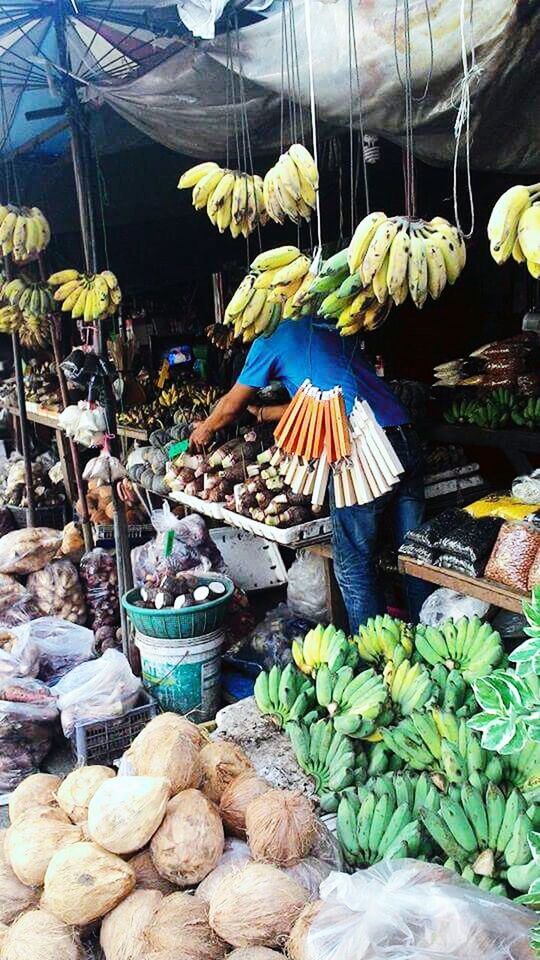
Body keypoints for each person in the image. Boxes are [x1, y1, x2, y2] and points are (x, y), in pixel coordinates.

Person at [190, 316, 427, 631]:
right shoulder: (327, 323)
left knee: (354, 565)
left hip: (362, 448)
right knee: (414, 557)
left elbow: (232, 406)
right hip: (404, 435)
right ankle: (430, 640)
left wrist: (204, 429)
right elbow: (320, 398)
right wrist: (264, 413)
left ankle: (378, 660)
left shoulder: (269, 338)